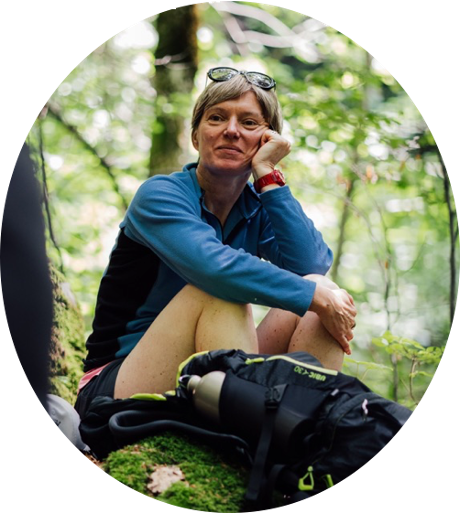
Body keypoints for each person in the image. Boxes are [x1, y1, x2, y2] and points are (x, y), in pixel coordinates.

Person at [75, 67, 357, 418]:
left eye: (249, 123)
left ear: (267, 140)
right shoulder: (160, 195)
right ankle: (243, 429)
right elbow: (215, 270)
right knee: (219, 292)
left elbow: (312, 264)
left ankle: (295, 430)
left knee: (320, 290)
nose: (232, 130)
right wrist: (315, 296)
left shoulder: (257, 207)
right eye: (217, 118)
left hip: (209, 371)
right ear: (196, 137)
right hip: (117, 383)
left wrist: (268, 176)